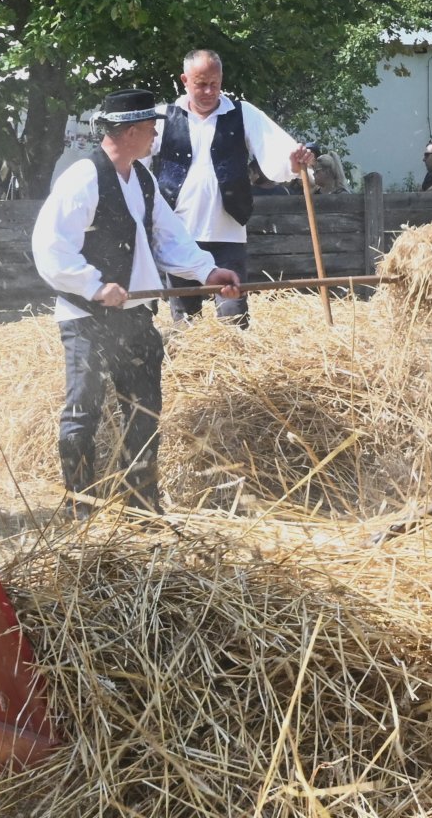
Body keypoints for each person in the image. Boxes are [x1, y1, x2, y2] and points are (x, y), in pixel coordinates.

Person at [32, 89, 241, 514]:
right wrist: (94, 286)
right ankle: (80, 506)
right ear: (129, 132)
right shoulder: (83, 178)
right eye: (150, 129)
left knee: (144, 412)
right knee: (82, 411)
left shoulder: (142, 178)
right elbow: (50, 249)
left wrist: (207, 271)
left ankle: (141, 505)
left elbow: (169, 237)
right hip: (86, 317)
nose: (155, 137)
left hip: (136, 317)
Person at [152, 50, 311, 326]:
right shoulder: (163, 116)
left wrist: (294, 162)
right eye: (201, 84)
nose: (209, 91)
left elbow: (276, 150)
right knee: (185, 321)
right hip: (179, 234)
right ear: (184, 80)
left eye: (214, 83)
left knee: (233, 317)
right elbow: (134, 158)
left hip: (228, 233)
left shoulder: (242, 113)